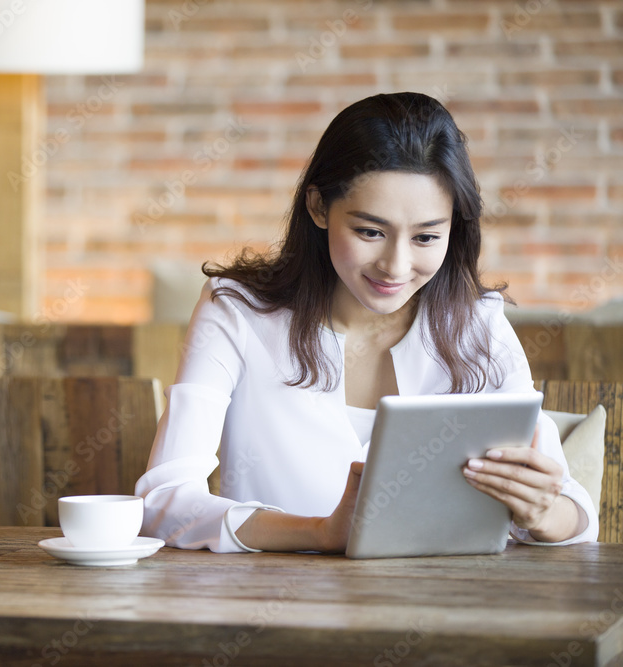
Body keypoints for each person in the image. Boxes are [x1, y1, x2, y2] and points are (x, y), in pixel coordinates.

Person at [136, 92, 598, 553]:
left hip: (446, 603)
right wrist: (317, 532)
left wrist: (542, 511)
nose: (396, 266)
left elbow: (577, 517)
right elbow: (163, 502)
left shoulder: (478, 323)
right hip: (276, 602)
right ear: (318, 207)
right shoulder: (237, 311)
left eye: (426, 237)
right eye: (370, 232)